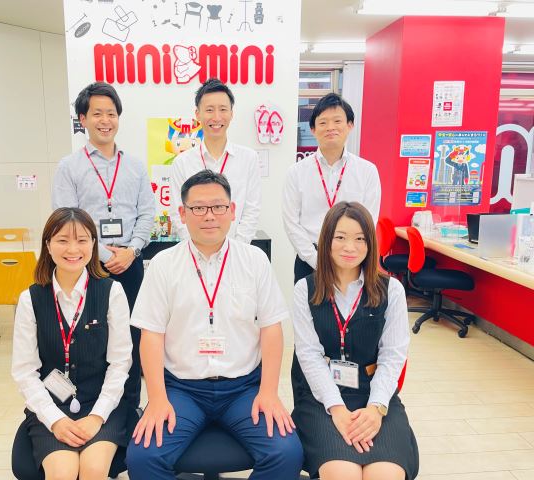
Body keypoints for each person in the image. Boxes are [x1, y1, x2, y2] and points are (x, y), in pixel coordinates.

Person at [126, 170, 303, 479]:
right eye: (198, 207)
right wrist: (157, 399)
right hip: (182, 389)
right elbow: (151, 335)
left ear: (232, 210)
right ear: (182, 213)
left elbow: (271, 329)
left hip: (243, 388)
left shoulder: (254, 260)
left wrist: (268, 392)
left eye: (218, 206)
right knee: (143, 458)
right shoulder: (164, 265)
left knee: (286, 454)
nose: (209, 215)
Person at [290, 201, 419, 480]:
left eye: (360, 239)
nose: (350, 247)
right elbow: (309, 356)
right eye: (340, 237)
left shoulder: (391, 290)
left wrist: (376, 409)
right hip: (322, 397)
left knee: (385, 474)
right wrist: (336, 409)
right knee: (342, 472)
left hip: (374, 394)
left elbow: (393, 356)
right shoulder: (305, 289)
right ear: (326, 240)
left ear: (371, 243)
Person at [52, 82, 155, 408]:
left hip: (130, 264)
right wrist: (107, 254)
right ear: (83, 119)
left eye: (111, 113)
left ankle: (131, 406)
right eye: (97, 114)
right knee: (91, 337)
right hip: (87, 265)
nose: (105, 120)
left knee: (133, 335)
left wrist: (132, 251)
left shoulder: (135, 166)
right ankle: (93, 405)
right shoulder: (69, 167)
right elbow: (67, 220)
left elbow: (147, 213)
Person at [11, 207, 134, 480]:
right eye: (63, 240)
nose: (73, 249)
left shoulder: (111, 292)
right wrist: (55, 419)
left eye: (82, 240)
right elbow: (24, 371)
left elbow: (120, 363)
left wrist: (97, 416)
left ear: (93, 244)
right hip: (51, 406)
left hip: (103, 404)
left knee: (93, 470)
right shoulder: (30, 298)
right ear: (48, 245)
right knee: (62, 473)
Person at [282, 93, 381, 284]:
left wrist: (349, 255)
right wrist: (316, 260)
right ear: (313, 129)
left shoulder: (367, 171)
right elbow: (291, 222)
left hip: (352, 258)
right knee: (308, 304)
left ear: (350, 125)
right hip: (310, 260)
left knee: (354, 304)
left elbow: (369, 220)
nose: (330, 127)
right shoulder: (296, 172)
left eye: (337, 121)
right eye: (323, 122)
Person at [169, 78, 261, 243]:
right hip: (194, 251)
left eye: (223, 109)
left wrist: (235, 250)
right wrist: (197, 248)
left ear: (231, 113)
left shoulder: (249, 158)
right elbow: (178, 213)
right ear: (198, 114)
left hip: (237, 250)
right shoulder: (182, 163)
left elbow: (251, 210)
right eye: (209, 110)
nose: (217, 117)